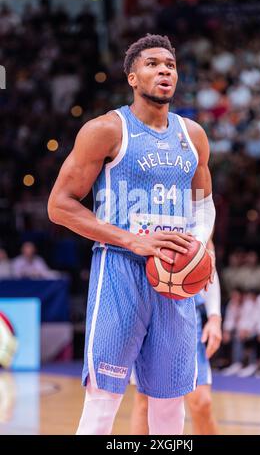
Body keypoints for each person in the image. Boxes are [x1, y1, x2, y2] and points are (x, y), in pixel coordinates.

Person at [48, 34, 216, 435]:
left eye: (170, 65)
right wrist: (132, 240)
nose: (164, 70)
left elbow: (203, 205)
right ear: (132, 77)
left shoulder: (192, 136)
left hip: (174, 281)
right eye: (153, 64)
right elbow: (59, 205)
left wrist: (200, 248)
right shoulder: (106, 129)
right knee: (104, 401)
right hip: (119, 271)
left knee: (169, 405)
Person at [130, 243, 222, 435]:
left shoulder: (199, 214)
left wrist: (214, 316)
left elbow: (207, 261)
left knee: (201, 402)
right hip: (146, 306)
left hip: (186, 313)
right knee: (145, 401)